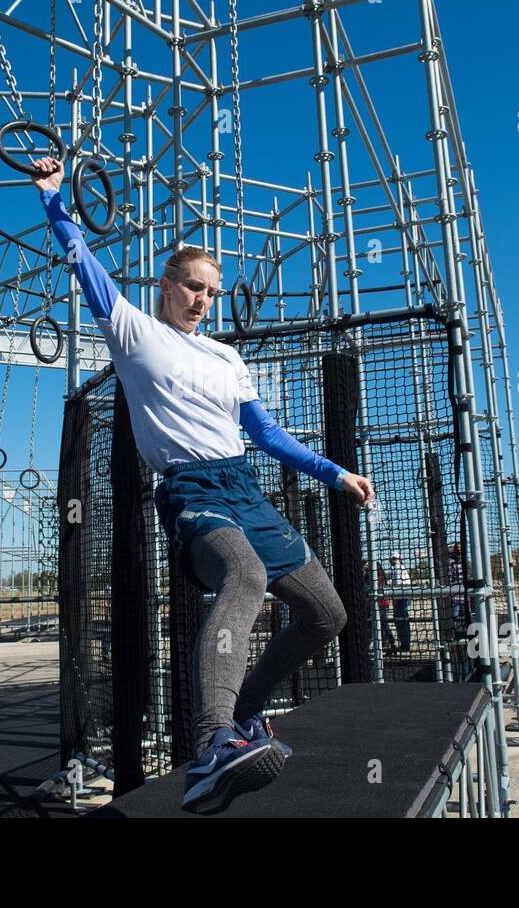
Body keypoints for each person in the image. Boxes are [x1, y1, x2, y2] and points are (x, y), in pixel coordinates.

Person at [31, 156, 375, 814]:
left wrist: (336, 472)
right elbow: (83, 262)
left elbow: (268, 436)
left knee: (327, 613)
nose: (203, 299)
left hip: (244, 486)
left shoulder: (227, 357)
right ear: (167, 284)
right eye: (194, 286)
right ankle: (213, 742)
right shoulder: (133, 332)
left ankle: (245, 715)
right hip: (192, 490)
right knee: (243, 577)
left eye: (212, 291)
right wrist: (53, 198)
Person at [386, 552, 412, 651]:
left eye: (391, 559)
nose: (389, 561)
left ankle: (405, 645)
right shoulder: (401, 568)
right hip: (404, 598)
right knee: (403, 621)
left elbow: (397, 587)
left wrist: (395, 600)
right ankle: (405, 644)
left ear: (394, 559)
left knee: (401, 622)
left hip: (401, 599)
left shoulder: (397, 569)